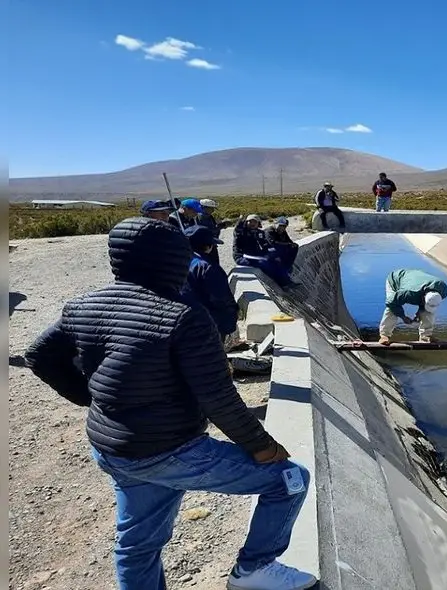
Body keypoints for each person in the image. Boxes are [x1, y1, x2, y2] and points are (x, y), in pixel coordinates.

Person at [23, 217, 317, 590]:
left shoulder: (83, 305)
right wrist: (262, 446)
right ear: (174, 261)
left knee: (138, 544)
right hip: (168, 450)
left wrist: (90, 398)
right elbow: (218, 398)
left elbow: (39, 356)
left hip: (114, 448)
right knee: (290, 481)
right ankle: (252, 571)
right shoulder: (183, 317)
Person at [181, 225, 238, 343]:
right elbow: (221, 298)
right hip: (208, 322)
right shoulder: (207, 267)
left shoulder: (179, 262)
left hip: (184, 321)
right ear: (207, 246)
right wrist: (231, 319)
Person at [379, 268, 447, 344]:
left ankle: (426, 336)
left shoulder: (443, 290)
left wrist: (419, 312)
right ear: (423, 298)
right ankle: (384, 335)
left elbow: (426, 305)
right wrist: (403, 317)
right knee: (392, 310)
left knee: (428, 312)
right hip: (396, 280)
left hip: (417, 280)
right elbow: (392, 303)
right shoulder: (408, 293)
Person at [233, 214, 297, 289]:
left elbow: (266, 245)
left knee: (276, 261)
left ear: (258, 223)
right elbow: (237, 230)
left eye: (255, 222)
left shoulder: (259, 233)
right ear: (246, 223)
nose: (252, 224)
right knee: (264, 263)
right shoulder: (242, 232)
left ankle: (287, 281)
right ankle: (283, 283)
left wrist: (274, 256)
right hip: (243, 256)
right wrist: (240, 222)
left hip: (255, 256)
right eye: (250, 222)